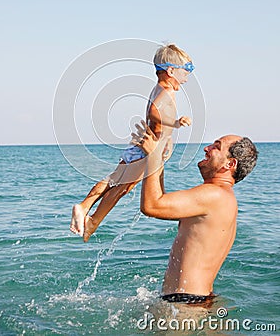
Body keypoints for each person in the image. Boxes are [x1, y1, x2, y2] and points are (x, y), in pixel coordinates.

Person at [70, 44, 195, 242]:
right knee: (120, 187)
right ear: (171, 71)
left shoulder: (158, 88)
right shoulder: (166, 92)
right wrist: (176, 123)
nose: (188, 76)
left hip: (141, 145)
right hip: (148, 148)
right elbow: (155, 112)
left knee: (117, 182)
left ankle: (85, 207)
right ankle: (92, 221)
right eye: (187, 71)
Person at [133, 121, 258, 304]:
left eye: (216, 147)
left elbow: (151, 205)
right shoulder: (223, 198)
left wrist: (153, 156)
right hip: (198, 300)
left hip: (185, 303)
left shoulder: (214, 195)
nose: (207, 148)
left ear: (230, 164)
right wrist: (157, 157)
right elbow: (160, 201)